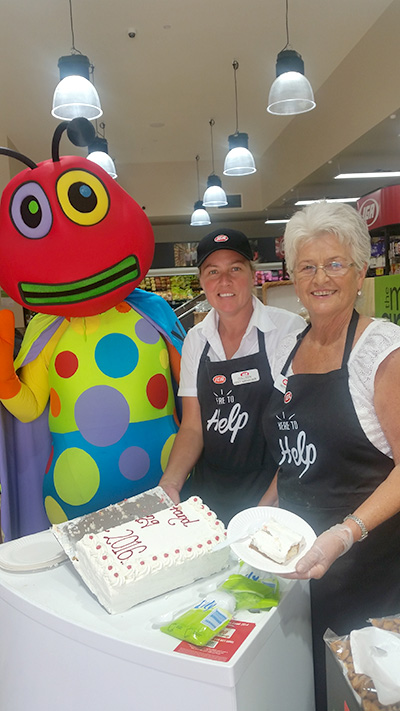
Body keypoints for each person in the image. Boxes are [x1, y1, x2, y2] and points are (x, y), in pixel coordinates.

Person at [260, 201, 400, 711]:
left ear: (361, 272)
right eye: (308, 266)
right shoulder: (288, 350)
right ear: (293, 275)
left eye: (335, 263)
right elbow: (294, 455)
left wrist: (345, 533)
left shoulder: (380, 351)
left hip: (367, 572)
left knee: (355, 693)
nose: (321, 277)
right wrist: (262, 515)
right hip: (302, 569)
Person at [159, 228, 305, 524]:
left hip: (272, 489)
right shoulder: (195, 340)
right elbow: (193, 426)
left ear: (252, 273)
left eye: (235, 269)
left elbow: (300, 427)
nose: (224, 281)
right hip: (209, 494)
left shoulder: (288, 331)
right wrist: (170, 484)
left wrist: (267, 507)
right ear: (201, 281)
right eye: (213, 271)